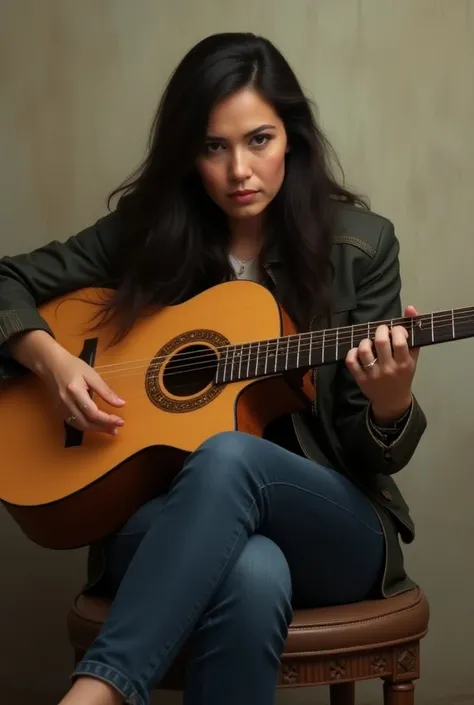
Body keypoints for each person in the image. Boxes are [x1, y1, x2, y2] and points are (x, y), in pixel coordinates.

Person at [0, 32, 426, 705]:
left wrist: (389, 403)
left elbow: (362, 447)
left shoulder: (361, 246)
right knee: (252, 571)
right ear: (188, 153)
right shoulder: (147, 232)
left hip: (331, 527)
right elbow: (7, 280)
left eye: (259, 139)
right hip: (165, 520)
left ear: (292, 137)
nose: (239, 170)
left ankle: (94, 694)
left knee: (230, 453)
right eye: (213, 146)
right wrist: (47, 357)